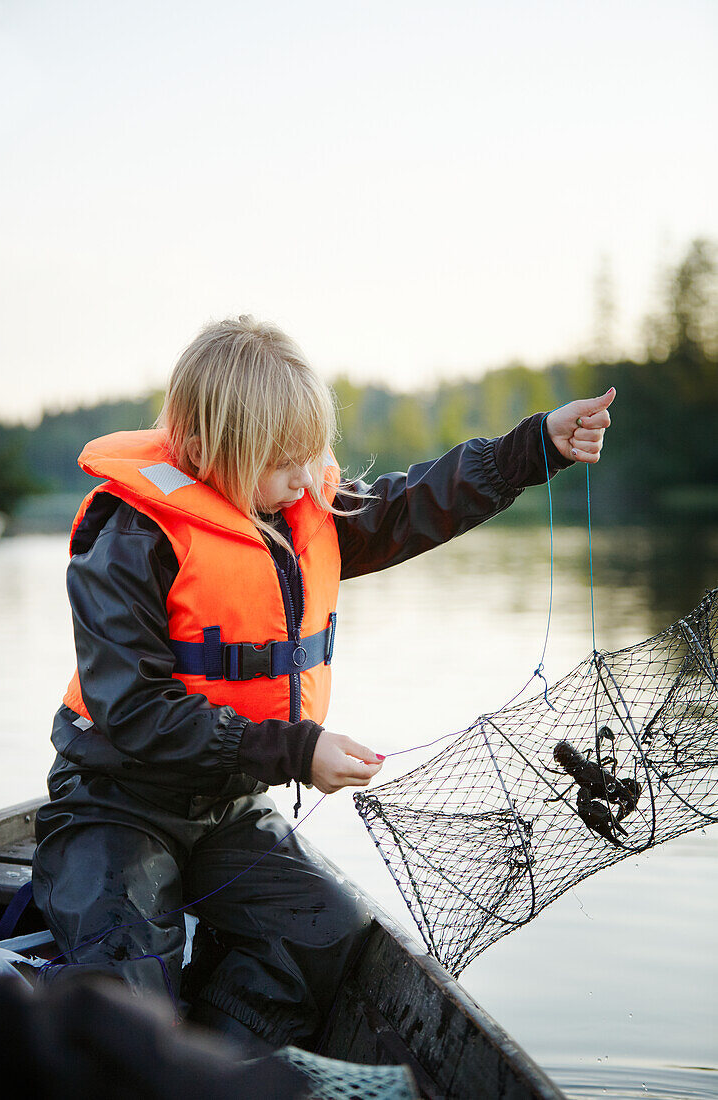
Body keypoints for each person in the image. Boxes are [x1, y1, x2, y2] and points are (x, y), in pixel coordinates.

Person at [32, 315, 614, 1055]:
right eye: (284, 462)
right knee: (125, 991)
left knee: (323, 937)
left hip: (227, 803)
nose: (307, 480)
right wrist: (297, 749)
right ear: (210, 451)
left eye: (311, 458)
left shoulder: (295, 508)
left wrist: (532, 448)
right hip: (115, 805)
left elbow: (409, 507)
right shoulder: (129, 536)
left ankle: (218, 1068)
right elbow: (135, 710)